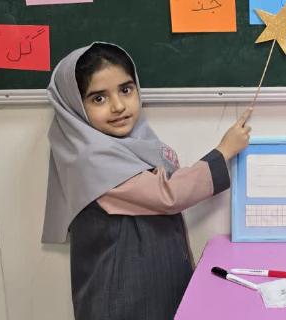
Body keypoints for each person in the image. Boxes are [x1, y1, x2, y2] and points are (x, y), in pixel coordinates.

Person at [41, 42, 251, 320]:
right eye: (99, 98)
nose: (118, 106)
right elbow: (168, 195)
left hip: (151, 283)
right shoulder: (90, 158)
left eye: (126, 90)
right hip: (121, 296)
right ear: (75, 106)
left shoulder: (131, 145)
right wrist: (224, 151)